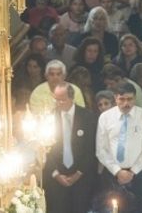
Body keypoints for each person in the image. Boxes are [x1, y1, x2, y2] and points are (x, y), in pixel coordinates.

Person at [95, 82, 142, 212]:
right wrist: (117, 171)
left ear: (135, 98)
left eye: (129, 99)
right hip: (112, 174)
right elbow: (101, 150)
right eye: (122, 99)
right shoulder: (105, 117)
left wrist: (132, 171)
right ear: (115, 98)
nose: (125, 103)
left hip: (138, 174)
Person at [43, 83, 97, 213]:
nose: (59, 103)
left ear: (72, 98)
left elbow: (91, 148)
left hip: (81, 177)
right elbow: (44, 148)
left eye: (62, 99)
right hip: (56, 176)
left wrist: (78, 173)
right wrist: (56, 174)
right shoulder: (49, 117)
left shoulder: (87, 117)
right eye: (56, 99)